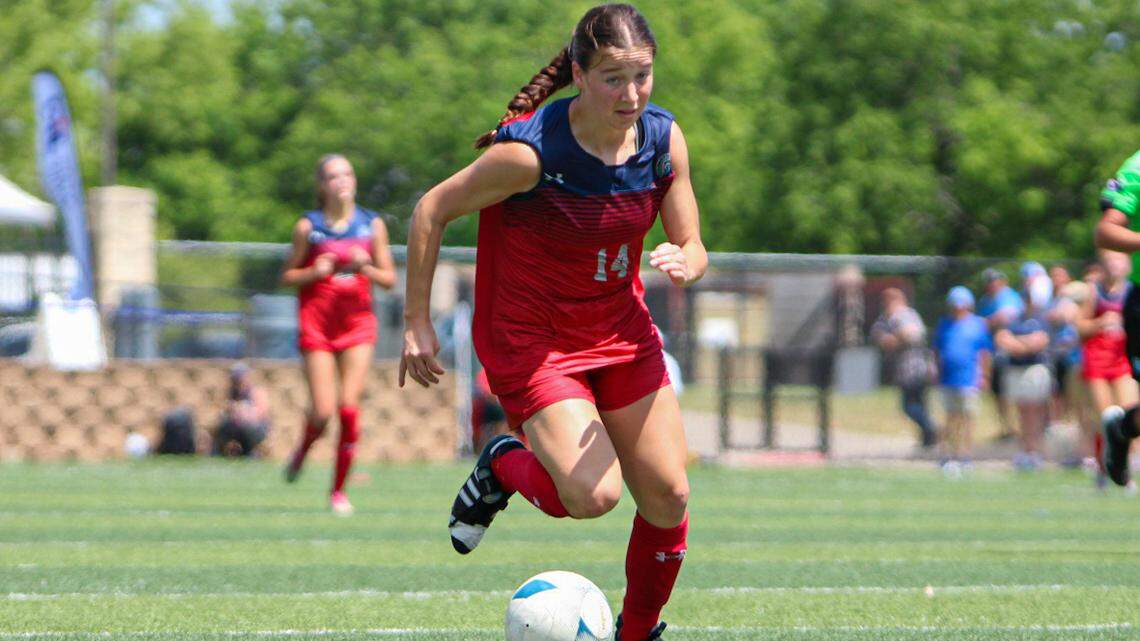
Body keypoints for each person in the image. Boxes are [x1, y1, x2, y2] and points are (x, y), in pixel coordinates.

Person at [399, 6, 705, 640]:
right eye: (614, 78)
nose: (632, 94)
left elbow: (694, 241)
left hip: (621, 332)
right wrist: (416, 323)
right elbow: (431, 210)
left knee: (669, 496)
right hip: (535, 341)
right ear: (580, 75)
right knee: (594, 498)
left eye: (642, 76)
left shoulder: (663, 141)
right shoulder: (531, 154)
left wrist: (687, 259)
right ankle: (505, 462)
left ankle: (636, 632)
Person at [280, 154, 397, 515]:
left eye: (347, 173)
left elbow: (389, 279)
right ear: (321, 185)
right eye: (333, 176)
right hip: (317, 325)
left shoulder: (371, 224)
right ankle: (302, 450)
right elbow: (288, 276)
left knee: (348, 408)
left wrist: (368, 268)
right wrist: (314, 271)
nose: (342, 181)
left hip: (357, 326)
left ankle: (338, 491)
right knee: (323, 409)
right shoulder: (308, 227)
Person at [1075, 249, 1136, 488]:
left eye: (1119, 259)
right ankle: (1103, 467)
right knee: (1106, 417)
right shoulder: (1093, 291)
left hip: (1123, 360)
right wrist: (1101, 323)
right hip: (1097, 360)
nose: (1114, 265)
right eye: (1110, 260)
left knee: (1130, 414)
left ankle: (1123, 470)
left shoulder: (1132, 291)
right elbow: (1079, 327)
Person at [993, 268, 1053, 470]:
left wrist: (1018, 344)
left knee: (1035, 413)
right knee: (1022, 413)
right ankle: (1024, 451)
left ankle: (1036, 451)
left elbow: (1041, 341)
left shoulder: (1041, 318)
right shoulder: (1015, 318)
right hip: (1017, 369)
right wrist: (1023, 344)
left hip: (1034, 368)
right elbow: (1002, 338)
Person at [932, 286, 992, 475]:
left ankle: (965, 454)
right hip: (948, 379)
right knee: (950, 417)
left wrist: (984, 375)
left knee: (967, 417)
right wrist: (935, 372)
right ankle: (947, 453)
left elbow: (984, 353)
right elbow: (936, 351)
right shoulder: (944, 325)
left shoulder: (977, 325)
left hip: (969, 379)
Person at [870, 287, 937, 450]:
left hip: (917, 368)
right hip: (901, 369)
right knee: (914, 406)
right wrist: (895, 338)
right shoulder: (885, 319)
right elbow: (878, 337)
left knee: (911, 406)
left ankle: (931, 432)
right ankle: (927, 439)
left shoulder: (906, 315)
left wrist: (895, 338)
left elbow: (913, 335)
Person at [978, 267, 1024, 442]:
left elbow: (1007, 317)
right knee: (998, 393)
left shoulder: (1009, 296)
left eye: (995, 281)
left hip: (1011, 352)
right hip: (993, 353)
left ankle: (1020, 428)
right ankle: (1007, 428)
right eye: (989, 282)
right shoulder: (985, 300)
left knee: (1014, 392)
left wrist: (988, 321)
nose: (992, 285)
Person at [212, 362, 271, 457]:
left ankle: (251, 455)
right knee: (222, 426)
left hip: (255, 428)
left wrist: (242, 410)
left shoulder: (256, 392)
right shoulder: (231, 393)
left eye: (239, 378)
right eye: (235, 378)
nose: (237, 381)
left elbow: (260, 414)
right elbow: (222, 412)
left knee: (246, 428)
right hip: (236, 426)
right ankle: (216, 455)